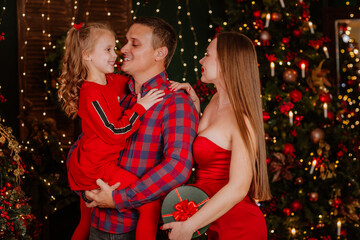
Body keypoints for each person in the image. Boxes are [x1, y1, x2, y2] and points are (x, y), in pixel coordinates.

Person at [80, 17, 199, 239]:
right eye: (125, 42)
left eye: (134, 43)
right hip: (97, 220)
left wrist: (120, 198)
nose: (123, 49)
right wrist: (85, 184)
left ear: (159, 53)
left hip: (131, 228)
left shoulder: (176, 102)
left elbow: (177, 167)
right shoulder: (115, 93)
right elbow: (89, 142)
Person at [58, 22, 165, 240]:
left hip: (98, 160)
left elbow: (140, 78)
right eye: (107, 49)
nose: (115, 55)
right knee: (150, 204)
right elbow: (114, 132)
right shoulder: (90, 94)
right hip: (96, 167)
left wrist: (175, 86)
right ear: (87, 55)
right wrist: (140, 108)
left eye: (114, 48)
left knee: (85, 222)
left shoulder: (111, 80)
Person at [163, 32, 272, 240]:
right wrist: (193, 106)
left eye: (207, 55)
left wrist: (189, 227)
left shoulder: (242, 119)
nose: (201, 60)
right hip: (209, 219)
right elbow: (207, 143)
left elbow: (238, 187)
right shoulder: (214, 100)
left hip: (237, 226)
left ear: (225, 63)